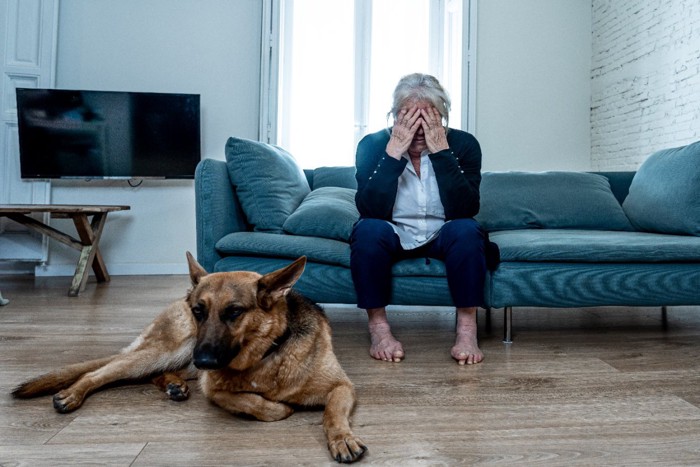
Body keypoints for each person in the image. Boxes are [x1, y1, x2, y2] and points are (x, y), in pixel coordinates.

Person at [350, 73, 498, 365]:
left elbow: (465, 208)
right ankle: (379, 330)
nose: (419, 129)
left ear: (442, 117)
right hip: (394, 230)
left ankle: (467, 331)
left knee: (468, 230)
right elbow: (369, 208)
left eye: (428, 118)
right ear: (395, 116)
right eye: (409, 118)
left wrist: (442, 152)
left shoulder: (464, 145)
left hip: (445, 230)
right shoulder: (372, 145)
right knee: (367, 230)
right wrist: (393, 153)